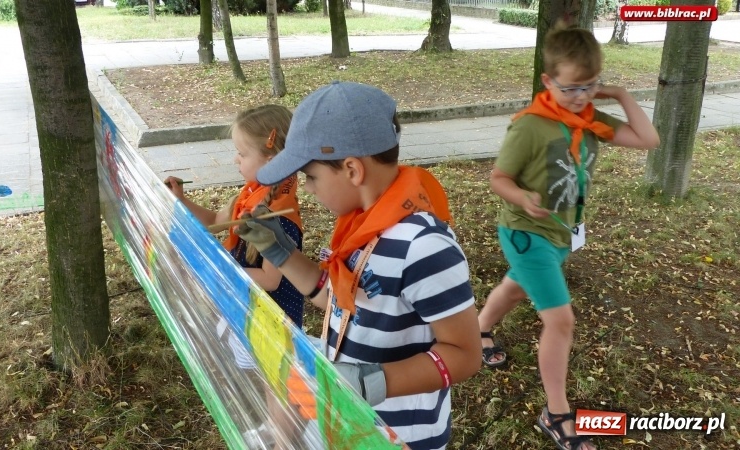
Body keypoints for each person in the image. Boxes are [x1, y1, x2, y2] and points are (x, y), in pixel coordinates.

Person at [235, 81, 482, 450]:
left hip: (398, 436)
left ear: (352, 169)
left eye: (312, 176)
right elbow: (341, 303)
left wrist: (369, 382)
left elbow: (465, 354)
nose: (308, 188)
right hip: (350, 421)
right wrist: (281, 253)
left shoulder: (424, 247)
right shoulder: (361, 227)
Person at [476, 22, 660, 450]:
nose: (580, 97)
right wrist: (522, 197)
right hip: (525, 231)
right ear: (547, 81)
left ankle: (479, 328)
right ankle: (555, 414)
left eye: (589, 86)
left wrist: (620, 95)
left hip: (559, 233)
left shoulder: (591, 116)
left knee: (517, 286)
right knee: (560, 322)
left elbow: (648, 139)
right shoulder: (530, 126)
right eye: (571, 87)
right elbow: (498, 178)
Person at [165, 104, 304, 449]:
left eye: (242, 153)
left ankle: (284, 437)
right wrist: (180, 201)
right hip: (249, 306)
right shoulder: (247, 196)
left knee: (278, 378)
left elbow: (272, 280)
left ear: (271, 159)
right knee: (265, 374)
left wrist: (217, 267)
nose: (235, 160)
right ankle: (276, 426)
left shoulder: (281, 216)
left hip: (274, 313)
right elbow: (214, 220)